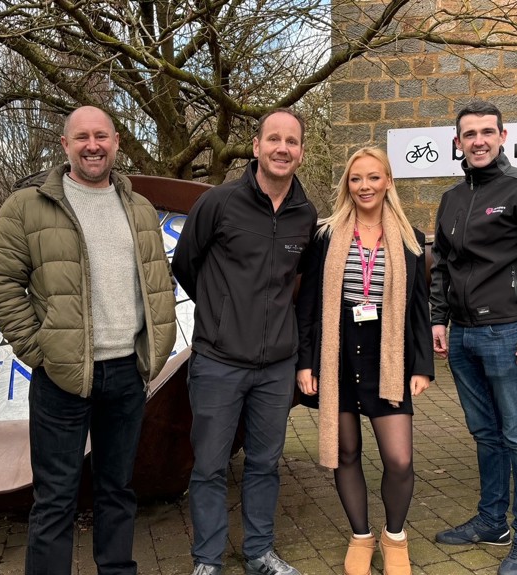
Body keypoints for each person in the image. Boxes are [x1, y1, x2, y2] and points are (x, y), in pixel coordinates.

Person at [0, 106, 177, 575]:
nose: (94, 145)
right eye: (83, 137)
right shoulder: (28, 207)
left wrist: (155, 348)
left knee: (117, 489)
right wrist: (39, 350)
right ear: (65, 145)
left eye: (102, 136)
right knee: (55, 498)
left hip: (127, 372)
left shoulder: (139, 207)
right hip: (62, 378)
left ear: (116, 143)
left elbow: (156, 281)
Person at [171, 108, 318, 575]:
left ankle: (259, 553)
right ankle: (208, 560)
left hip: (277, 364)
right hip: (218, 362)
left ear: (300, 151)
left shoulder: (304, 213)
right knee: (210, 467)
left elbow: (297, 283)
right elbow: (185, 265)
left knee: (264, 464)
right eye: (272, 139)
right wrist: (220, 312)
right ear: (255, 147)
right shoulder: (220, 202)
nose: (282, 148)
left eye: (291, 141)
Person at [430, 100, 517, 575]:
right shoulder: (450, 199)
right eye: (470, 134)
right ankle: (492, 522)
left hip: (510, 334)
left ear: (503, 136)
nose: (479, 140)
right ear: (458, 142)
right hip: (463, 337)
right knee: (485, 434)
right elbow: (443, 265)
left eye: (488, 132)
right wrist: (438, 318)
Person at [296, 147, 433, 575]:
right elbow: (308, 304)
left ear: (388, 181)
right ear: (347, 186)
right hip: (337, 355)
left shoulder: (410, 237)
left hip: (387, 357)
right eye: (356, 179)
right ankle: (360, 536)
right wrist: (305, 363)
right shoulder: (326, 235)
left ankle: (394, 537)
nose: (365, 186)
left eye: (374, 177)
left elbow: (418, 307)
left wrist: (422, 364)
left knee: (399, 460)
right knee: (347, 453)